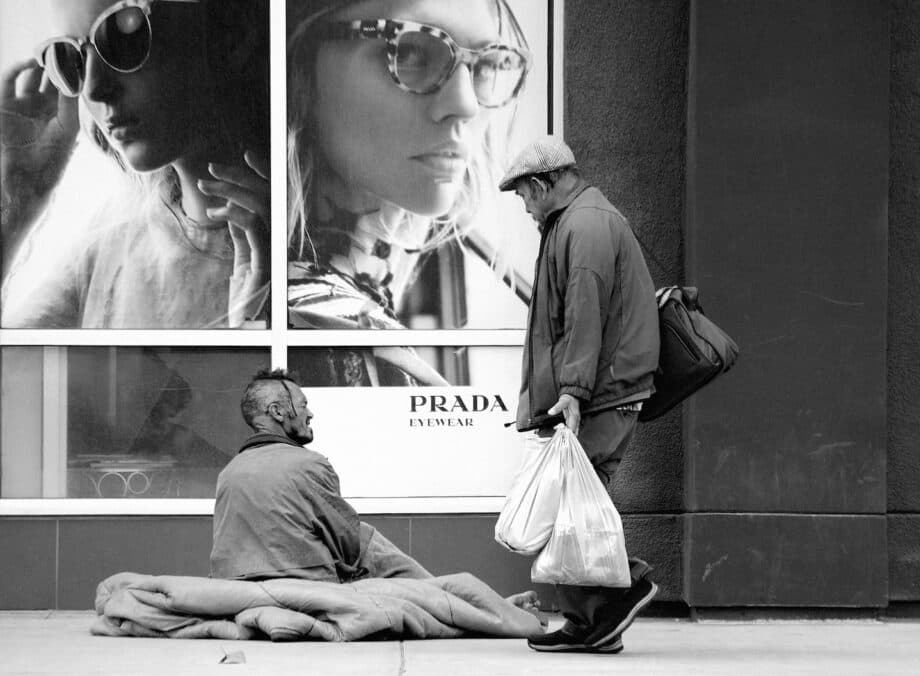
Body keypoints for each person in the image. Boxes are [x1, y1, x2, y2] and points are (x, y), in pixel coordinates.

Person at [285, 0, 532, 384]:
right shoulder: (331, 333)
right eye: (410, 50)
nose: (465, 106)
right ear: (299, 63)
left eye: (487, 64)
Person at [0, 0, 269, 328]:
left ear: (232, 33)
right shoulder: (103, 256)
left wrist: (259, 326)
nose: (93, 88)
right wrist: (16, 203)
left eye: (123, 35)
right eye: (70, 60)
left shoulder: (320, 245)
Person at [499, 136, 661, 653]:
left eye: (524, 193)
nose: (523, 206)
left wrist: (572, 390)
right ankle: (592, 622)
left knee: (571, 502)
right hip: (597, 392)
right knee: (570, 503)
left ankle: (621, 588)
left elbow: (584, 315)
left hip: (599, 395)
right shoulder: (572, 221)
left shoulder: (587, 224)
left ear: (544, 183)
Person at [211, 369, 432, 582]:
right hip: (308, 587)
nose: (310, 413)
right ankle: (443, 596)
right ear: (277, 412)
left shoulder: (229, 473)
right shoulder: (308, 464)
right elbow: (348, 542)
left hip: (238, 587)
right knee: (366, 538)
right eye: (303, 405)